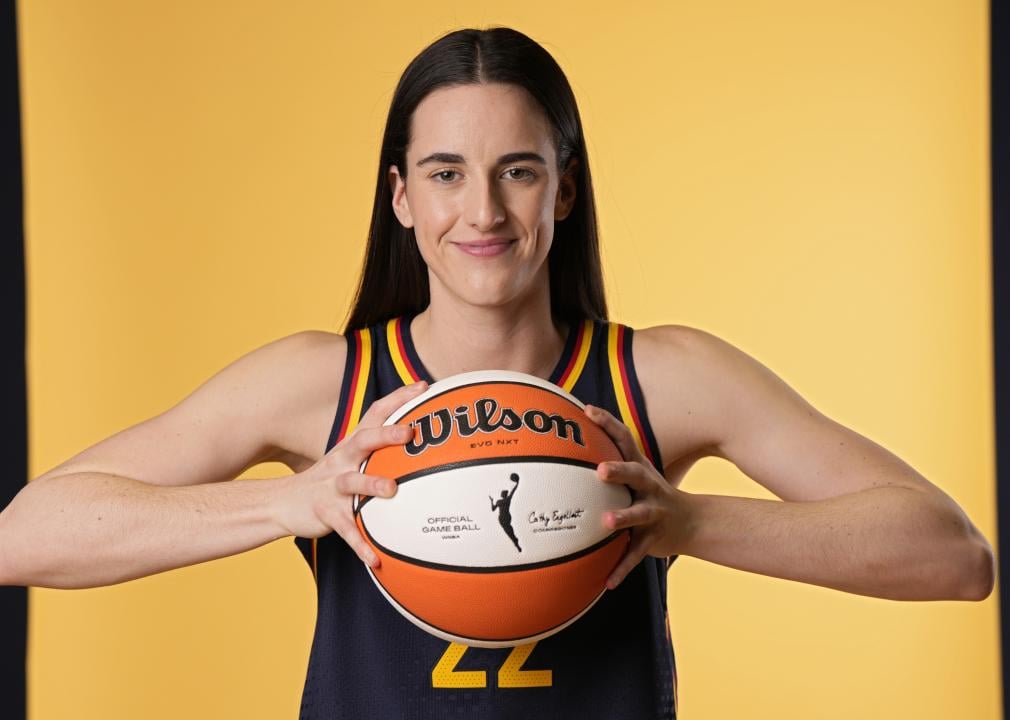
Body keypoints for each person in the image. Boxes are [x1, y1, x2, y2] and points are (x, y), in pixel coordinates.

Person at [0, 25, 994, 720]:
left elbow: (950, 555)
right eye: (443, 172)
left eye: (517, 169)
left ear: (562, 190)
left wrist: (687, 525)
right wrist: (290, 504)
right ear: (399, 196)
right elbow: (24, 535)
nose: (480, 210)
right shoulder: (323, 387)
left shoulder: (656, 377)